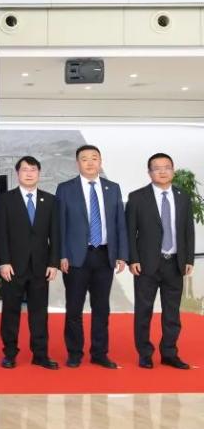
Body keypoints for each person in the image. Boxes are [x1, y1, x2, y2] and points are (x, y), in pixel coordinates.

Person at [55, 144, 127, 369]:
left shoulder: (112, 188)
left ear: (100, 161)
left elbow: (120, 223)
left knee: (102, 308)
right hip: (76, 257)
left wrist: (122, 254)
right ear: (77, 163)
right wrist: (61, 255)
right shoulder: (66, 188)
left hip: (104, 256)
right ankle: (74, 353)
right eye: (84, 158)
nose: (90, 162)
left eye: (94, 158)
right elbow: (59, 225)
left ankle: (99, 353)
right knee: (74, 308)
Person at [126, 153, 195, 369]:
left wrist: (189, 258)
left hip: (175, 263)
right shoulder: (137, 197)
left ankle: (169, 353)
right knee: (144, 311)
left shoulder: (183, 197)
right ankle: (145, 354)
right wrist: (133, 259)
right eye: (157, 168)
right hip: (146, 264)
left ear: (173, 170)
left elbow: (188, 230)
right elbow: (130, 232)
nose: (162, 171)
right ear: (149, 173)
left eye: (167, 167)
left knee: (172, 313)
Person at [0, 156, 61, 369]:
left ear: (39, 173)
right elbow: (0, 234)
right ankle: (10, 353)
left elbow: (55, 234)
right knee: (10, 311)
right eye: (25, 169)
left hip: (41, 267)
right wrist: (3, 262)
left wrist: (53, 263)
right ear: (17, 174)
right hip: (13, 267)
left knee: (39, 313)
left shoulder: (50, 200)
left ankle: (40, 354)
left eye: (33, 169)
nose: (29, 173)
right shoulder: (6, 200)